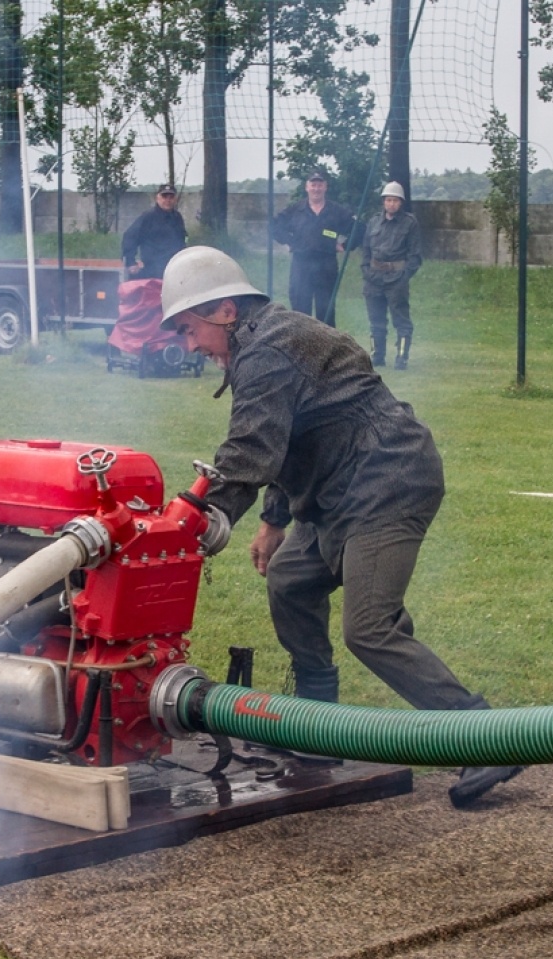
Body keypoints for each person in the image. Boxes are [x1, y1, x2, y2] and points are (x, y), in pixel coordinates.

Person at [159, 246, 521, 808]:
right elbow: (287, 437)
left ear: (226, 311)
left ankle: (486, 737)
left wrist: (201, 520)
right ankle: (318, 722)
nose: (190, 346)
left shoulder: (268, 351)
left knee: (370, 628)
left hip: (387, 481)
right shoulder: (261, 341)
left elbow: (251, 447)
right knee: (289, 580)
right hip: (337, 492)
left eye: (189, 329)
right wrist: (274, 521)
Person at [270, 169, 355, 325]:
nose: (316, 189)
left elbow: (358, 229)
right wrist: (291, 242)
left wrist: (345, 245)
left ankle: (326, 347)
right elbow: (274, 226)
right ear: (306, 187)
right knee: (300, 311)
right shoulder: (295, 210)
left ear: (325, 187)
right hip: (301, 265)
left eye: (320, 185)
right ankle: (301, 347)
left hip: (327, 265)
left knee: (326, 311)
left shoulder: (336, 211)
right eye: (313, 185)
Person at [361, 180, 423, 369]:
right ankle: (377, 356)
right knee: (376, 321)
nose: (391, 204)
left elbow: (415, 255)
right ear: (383, 202)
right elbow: (365, 251)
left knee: (401, 320)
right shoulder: (373, 222)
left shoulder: (410, 223)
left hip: (397, 279)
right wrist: (366, 270)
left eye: (395, 201)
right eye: (388, 200)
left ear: (401, 203)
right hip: (374, 278)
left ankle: (401, 357)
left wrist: (404, 276)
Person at [120, 184, 187, 280]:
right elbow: (130, 237)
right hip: (152, 271)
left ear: (175, 199)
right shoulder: (148, 217)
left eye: (171, 197)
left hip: (174, 270)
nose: (168, 200)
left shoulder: (177, 218)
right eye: (164, 196)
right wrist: (130, 262)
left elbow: (183, 240)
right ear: (157, 198)